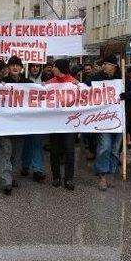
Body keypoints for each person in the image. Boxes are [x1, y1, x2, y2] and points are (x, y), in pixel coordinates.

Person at [86, 55, 122, 190]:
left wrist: (128, 95)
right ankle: (102, 175)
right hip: (102, 119)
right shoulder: (96, 77)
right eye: (103, 64)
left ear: (114, 66)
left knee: (114, 149)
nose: (103, 66)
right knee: (104, 146)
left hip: (118, 119)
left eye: (106, 64)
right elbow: (85, 89)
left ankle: (111, 173)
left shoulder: (122, 77)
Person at [0, 55, 30, 195]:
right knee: (6, 152)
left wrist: (41, 88)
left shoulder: (28, 83)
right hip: (5, 125)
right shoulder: (1, 83)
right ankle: (7, 181)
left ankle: (13, 176)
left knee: (17, 154)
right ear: (8, 68)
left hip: (20, 125)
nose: (15, 67)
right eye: (12, 65)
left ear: (21, 68)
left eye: (17, 65)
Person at [46, 58, 78, 191]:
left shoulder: (74, 83)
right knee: (54, 150)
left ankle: (69, 178)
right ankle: (56, 176)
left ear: (61, 68)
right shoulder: (49, 83)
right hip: (55, 123)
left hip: (69, 123)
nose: (52, 69)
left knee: (69, 150)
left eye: (55, 67)